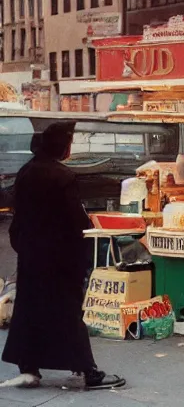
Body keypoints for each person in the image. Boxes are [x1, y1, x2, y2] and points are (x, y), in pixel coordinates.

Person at [1, 122, 125, 389]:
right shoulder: (63, 176)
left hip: (32, 255)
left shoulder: (26, 171)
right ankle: (89, 372)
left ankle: (29, 368)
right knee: (67, 312)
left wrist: (25, 245)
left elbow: (18, 215)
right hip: (60, 258)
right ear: (63, 147)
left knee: (30, 309)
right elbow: (75, 220)